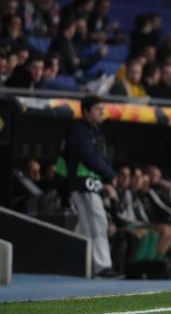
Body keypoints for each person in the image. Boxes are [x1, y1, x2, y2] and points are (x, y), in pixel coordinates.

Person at [61, 95, 121, 278]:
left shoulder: (97, 132)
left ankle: (69, 262)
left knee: (84, 227)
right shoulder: (78, 131)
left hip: (93, 184)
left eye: (102, 108)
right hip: (82, 184)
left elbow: (102, 158)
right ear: (86, 112)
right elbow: (88, 157)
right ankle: (102, 266)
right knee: (97, 223)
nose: (101, 112)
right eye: (97, 109)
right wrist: (110, 175)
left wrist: (110, 177)